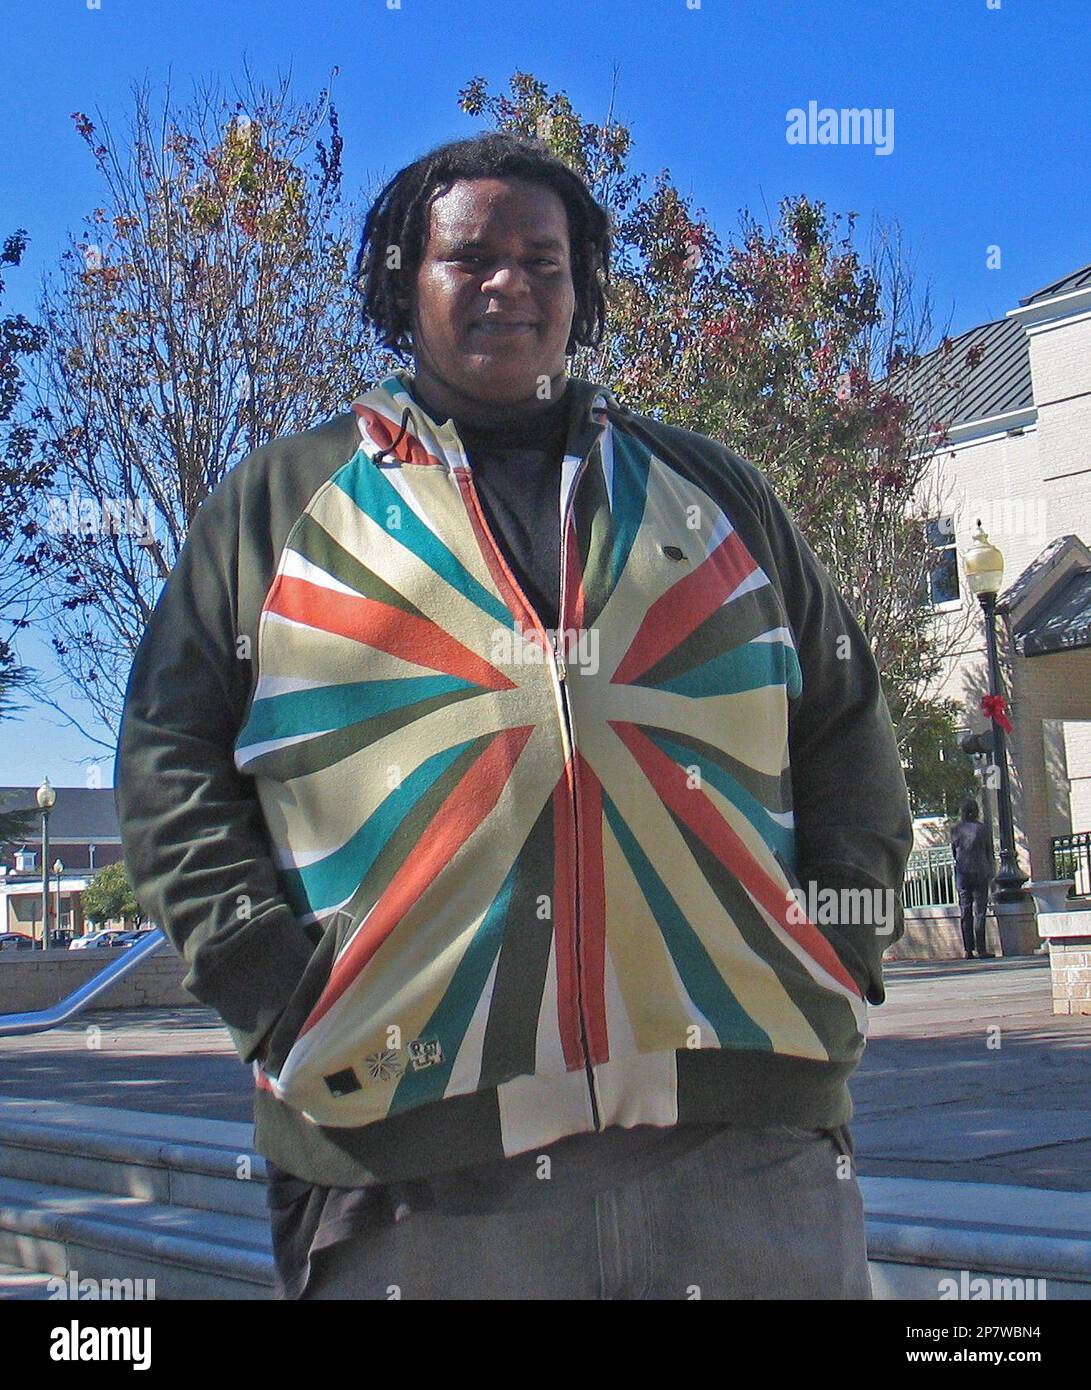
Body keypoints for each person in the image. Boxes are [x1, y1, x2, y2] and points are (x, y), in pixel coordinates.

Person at [114, 132, 914, 1300]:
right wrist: (270, 986)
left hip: (743, 1151)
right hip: (413, 1173)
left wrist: (838, 941)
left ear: (583, 290)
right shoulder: (276, 504)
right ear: (402, 281)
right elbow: (166, 757)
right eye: (471, 257)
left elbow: (844, 719)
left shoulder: (711, 488)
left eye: (544, 260)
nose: (511, 285)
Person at [950, 796, 995, 959]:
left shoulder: (955, 830)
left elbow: (954, 852)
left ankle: (968, 950)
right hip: (980, 871)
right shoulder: (982, 829)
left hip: (962, 873)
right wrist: (991, 870)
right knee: (980, 911)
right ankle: (981, 949)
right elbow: (989, 851)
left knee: (965, 910)